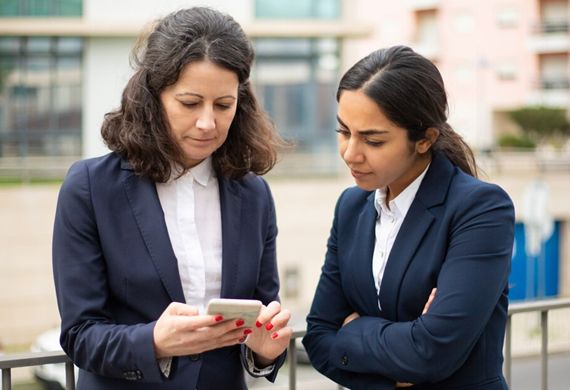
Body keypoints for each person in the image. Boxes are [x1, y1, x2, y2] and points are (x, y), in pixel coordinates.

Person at [52, 7, 292, 390]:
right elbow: (80, 334)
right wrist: (154, 343)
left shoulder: (253, 193)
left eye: (223, 105)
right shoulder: (90, 188)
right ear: (153, 97)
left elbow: (262, 316)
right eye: (189, 103)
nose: (207, 123)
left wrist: (265, 350)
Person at [302, 45, 515, 389]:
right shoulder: (351, 207)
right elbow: (319, 338)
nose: (350, 153)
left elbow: (431, 352)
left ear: (424, 139)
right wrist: (400, 368)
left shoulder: (480, 209)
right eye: (344, 132)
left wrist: (354, 330)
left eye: (372, 140)